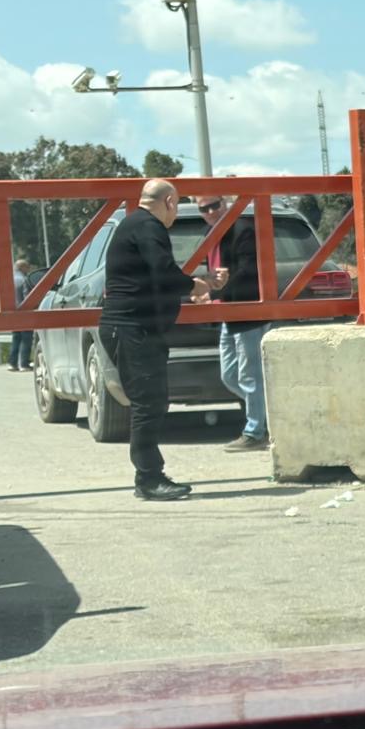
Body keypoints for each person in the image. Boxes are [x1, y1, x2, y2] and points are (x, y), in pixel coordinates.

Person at [100, 178, 211, 501]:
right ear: (170, 202)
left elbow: (153, 278)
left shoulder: (136, 224)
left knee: (152, 401)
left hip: (136, 328)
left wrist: (192, 285)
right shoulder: (149, 226)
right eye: (176, 207)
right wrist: (194, 286)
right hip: (132, 329)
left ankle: (148, 476)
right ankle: (148, 479)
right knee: (148, 403)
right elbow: (163, 270)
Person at [195, 194, 269, 451]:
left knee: (250, 376)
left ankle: (255, 431)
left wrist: (214, 292)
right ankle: (267, 415)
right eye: (204, 208)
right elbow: (214, 272)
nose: (211, 212)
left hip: (248, 310)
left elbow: (248, 271)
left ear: (224, 202)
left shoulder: (242, 229)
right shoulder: (209, 233)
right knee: (229, 375)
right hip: (228, 313)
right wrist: (204, 287)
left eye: (215, 205)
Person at [8, 258, 34, 372]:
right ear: (22, 267)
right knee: (26, 338)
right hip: (23, 313)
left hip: (11, 313)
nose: (28, 269)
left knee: (16, 338)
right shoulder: (24, 279)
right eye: (27, 267)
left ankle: (12, 363)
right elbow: (26, 296)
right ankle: (24, 364)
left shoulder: (9, 280)